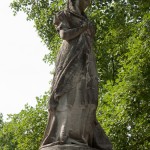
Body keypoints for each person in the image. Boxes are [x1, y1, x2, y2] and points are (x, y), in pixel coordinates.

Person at [41, 0, 112, 149]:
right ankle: (64, 135)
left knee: (86, 97)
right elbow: (64, 35)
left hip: (86, 59)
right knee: (68, 93)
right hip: (70, 57)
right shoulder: (64, 15)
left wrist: (86, 28)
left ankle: (82, 135)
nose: (88, 3)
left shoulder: (86, 19)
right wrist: (82, 28)